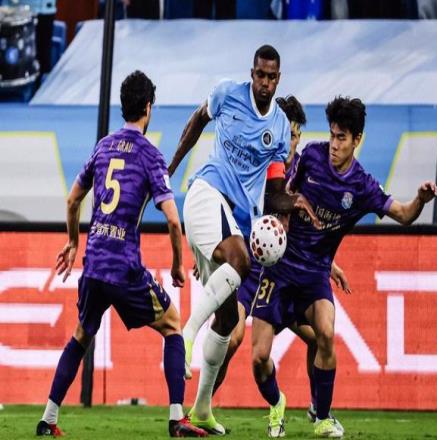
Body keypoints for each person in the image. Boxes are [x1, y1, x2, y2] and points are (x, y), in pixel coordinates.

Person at [251, 96, 437, 438]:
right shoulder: (311, 156)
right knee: (259, 357)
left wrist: (420, 199)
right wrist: (278, 221)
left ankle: (322, 416)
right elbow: (283, 195)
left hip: (314, 275)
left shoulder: (362, 186)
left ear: (357, 140)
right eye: (332, 135)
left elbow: (403, 215)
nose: (334, 144)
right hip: (280, 269)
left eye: (342, 138)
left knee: (326, 334)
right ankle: (277, 401)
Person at [35, 71, 206, 438]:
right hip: (125, 267)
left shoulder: (103, 147)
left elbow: (73, 200)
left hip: (94, 263)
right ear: (148, 107)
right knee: (173, 325)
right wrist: (178, 264)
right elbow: (172, 220)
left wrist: (73, 242)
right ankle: (177, 418)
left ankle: (48, 418)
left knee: (81, 335)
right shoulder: (150, 155)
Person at [167, 45, 319, 434]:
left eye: (271, 77)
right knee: (240, 264)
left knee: (228, 322)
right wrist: (170, 169)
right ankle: (186, 336)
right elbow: (196, 122)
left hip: (237, 231)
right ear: (252, 73)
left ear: (278, 79)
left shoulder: (281, 131)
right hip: (209, 198)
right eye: (259, 75)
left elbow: (274, 193)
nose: (264, 83)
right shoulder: (226, 94)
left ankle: (201, 408)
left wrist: (295, 202)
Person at [211, 95, 352, 425]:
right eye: (287, 134)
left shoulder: (304, 170)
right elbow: (230, 207)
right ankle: (202, 408)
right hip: (252, 269)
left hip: (287, 276)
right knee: (231, 340)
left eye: (296, 135)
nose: (292, 142)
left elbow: (307, 229)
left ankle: (317, 407)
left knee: (319, 339)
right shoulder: (257, 166)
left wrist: (329, 265)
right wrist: (213, 246)